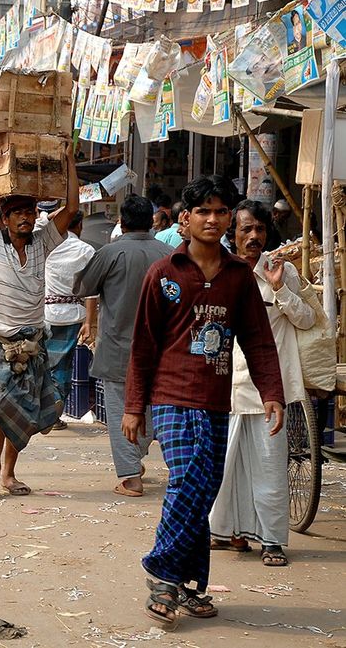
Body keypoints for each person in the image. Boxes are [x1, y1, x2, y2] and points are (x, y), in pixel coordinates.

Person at [122, 175, 284, 625]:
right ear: (187, 219)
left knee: (204, 488)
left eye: (220, 211)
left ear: (229, 218)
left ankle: (189, 585)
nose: (212, 219)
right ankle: (163, 574)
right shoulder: (163, 273)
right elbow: (143, 345)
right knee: (188, 478)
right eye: (203, 211)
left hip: (215, 400)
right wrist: (134, 406)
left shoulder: (239, 276)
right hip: (171, 396)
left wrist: (272, 393)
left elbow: (258, 340)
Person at [0, 136, 80, 501]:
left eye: (30, 212)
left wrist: (69, 159)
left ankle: (8, 473)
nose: (26, 217)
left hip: (32, 341)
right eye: (18, 213)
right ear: (5, 218)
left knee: (24, 407)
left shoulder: (43, 241)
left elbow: (72, 207)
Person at [209, 201, 313, 567]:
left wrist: (280, 289)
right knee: (225, 467)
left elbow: (306, 319)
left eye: (260, 229)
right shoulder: (221, 271)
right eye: (246, 229)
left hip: (270, 390)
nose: (254, 236)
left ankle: (272, 542)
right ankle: (229, 533)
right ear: (233, 234)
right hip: (227, 386)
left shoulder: (283, 270)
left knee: (269, 469)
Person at [74, 195, 171, 496]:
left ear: (122, 222)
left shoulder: (110, 252)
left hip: (118, 348)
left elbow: (83, 287)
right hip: (160, 350)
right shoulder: (168, 253)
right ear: (151, 222)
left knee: (119, 411)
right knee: (151, 411)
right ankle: (134, 458)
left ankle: (130, 476)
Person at [43, 210, 95, 431]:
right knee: (62, 367)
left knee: (44, 365)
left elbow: (40, 221)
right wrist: (89, 323)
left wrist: (54, 215)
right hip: (72, 316)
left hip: (44, 314)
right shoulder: (86, 250)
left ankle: (47, 411)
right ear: (80, 225)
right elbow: (91, 291)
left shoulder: (46, 244)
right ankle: (52, 413)